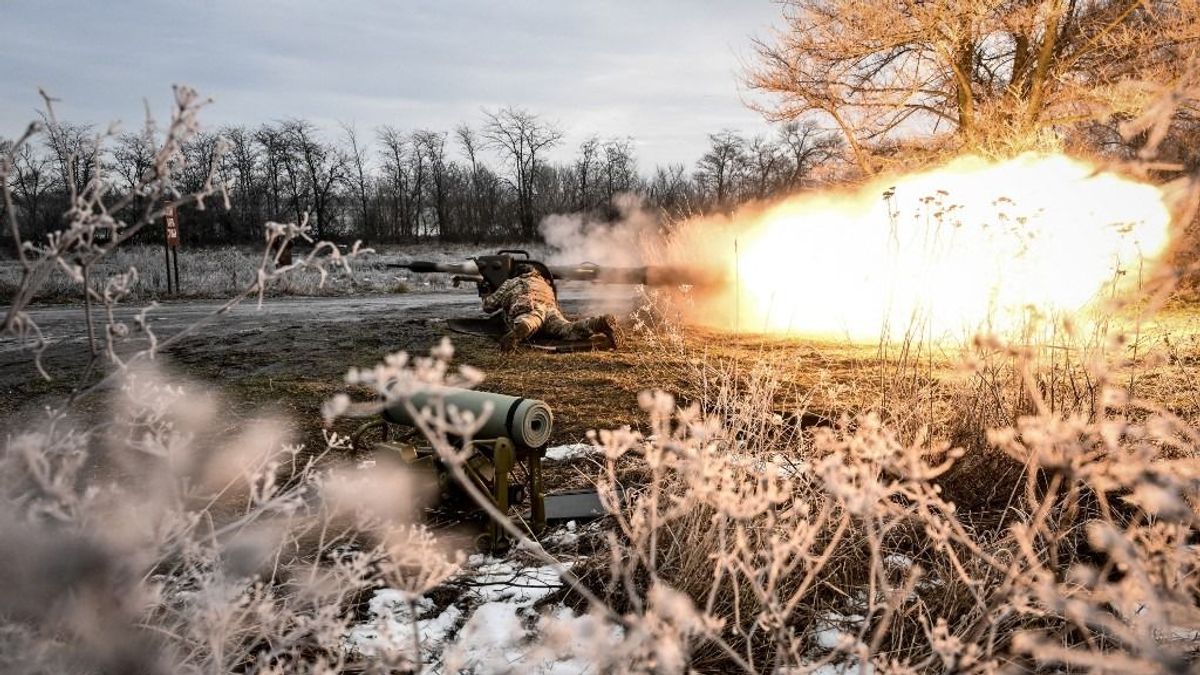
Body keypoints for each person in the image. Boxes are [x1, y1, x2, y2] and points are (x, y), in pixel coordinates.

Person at [481, 264, 618, 351]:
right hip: (550, 310)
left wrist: (486, 293)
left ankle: (522, 328)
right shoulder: (544, 284)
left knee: (531, 320)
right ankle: (597, 323)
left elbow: (489, 306)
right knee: (567, 329)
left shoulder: (512, 282)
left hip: (528, 305)